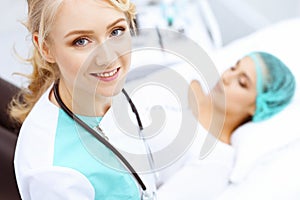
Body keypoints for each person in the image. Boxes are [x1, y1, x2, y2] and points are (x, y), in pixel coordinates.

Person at [9, 0, 161, 199]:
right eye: (81, 41)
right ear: (45, 48)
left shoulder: (106, 89)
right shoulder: (53, 173)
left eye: (116, 32)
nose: (108, 58)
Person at [156, 51, 297, 199]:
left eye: (242, 82)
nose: (226, 77)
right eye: (233, 68)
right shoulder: (190, 81)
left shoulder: (215, 162)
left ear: (258, 106)